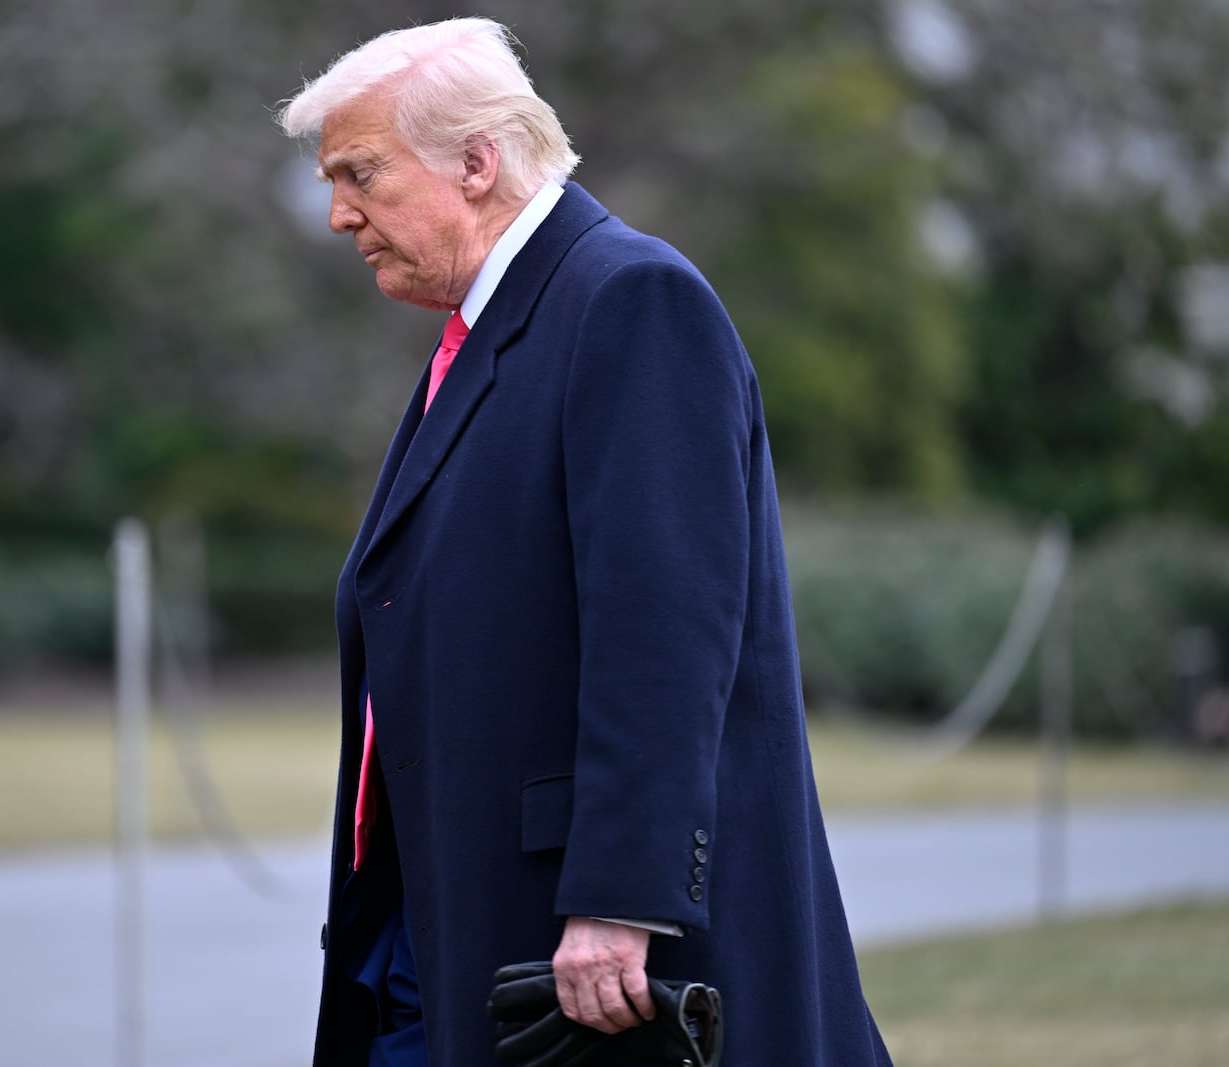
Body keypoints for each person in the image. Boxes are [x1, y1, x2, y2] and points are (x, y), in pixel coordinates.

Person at [275, 17, 892, 1067]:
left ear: (474, 162)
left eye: (361, 174)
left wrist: (619, 896)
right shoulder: (492, 327)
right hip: (447, 922)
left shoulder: (628, 299)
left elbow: (663, 633)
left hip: (580, 952)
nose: (339, 214)